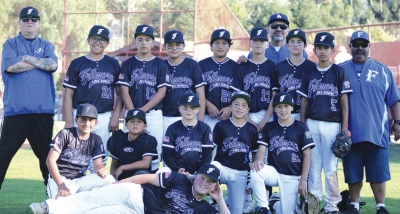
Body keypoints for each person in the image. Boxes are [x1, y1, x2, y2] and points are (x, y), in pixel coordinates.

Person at [339, 30, 400, 214]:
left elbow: (394, 99)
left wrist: (398, 122)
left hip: (378, 131)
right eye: (355, 45)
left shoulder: (382, 69)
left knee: (378, 172)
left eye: (363, 45)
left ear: (369, 47)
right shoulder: (340, 69)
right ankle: (354, 206)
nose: (359, 48)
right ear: (350, 47)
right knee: (353, 172)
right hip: (350, 132)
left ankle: (380, 206)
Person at [0, 6, 58, 190]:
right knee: (2, 157)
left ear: (39, 23)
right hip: (16, 112)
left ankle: (56, 201)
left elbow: (52, 65)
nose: (30, 22)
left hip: (42, 112)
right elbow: (10, 67)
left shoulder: (47, 45)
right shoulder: (10, 44)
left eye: (34, 19)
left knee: (48, 159)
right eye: (25, 19)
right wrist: (39, 62)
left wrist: (26, 58)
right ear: (20, 23)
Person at [297, 32, 353, 214]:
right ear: (314, 50)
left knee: (330, 167)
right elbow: (304, 101)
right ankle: (313, 204)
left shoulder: (339, 72)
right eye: (319, 47)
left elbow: (344, 101)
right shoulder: (308, 72)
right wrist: (303, 125)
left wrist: (344, 128)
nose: (322, 51)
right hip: (312, 123)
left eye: (326, 48)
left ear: (332, 50)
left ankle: (332, 205)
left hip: (332, 124)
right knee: (313, 166)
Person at [30, 163, 229, 214]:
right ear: (196, 177)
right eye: (202, 178)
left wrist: (219, 199)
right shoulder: (179, 179)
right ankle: (49, 207)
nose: (205, 183)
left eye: (210, 181)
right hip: (136, 193)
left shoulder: (204, 209)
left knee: (97, 212)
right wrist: (119, 185)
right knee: (95, 198)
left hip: (137, 212)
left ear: (215, 186)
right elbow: (146, 177)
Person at [62, 25, 121, 173]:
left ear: (108, 43)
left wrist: (115, 117)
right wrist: (69, 121)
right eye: (94, 38)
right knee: (78, 158)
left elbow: (120, 94)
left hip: (104, 115)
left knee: (100, 159)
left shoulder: (113, 63)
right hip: (82, 117)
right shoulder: (77, 63)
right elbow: (68, 94)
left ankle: (96, 193)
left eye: (103, 40)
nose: (98, 42)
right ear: (88, 40)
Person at [250, 92, 314, 214]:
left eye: (286, 106)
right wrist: (258, 160)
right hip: (274, 172)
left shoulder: (301, 127)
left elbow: (307, 155)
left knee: (286, 212)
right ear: (274, 109)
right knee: (255, 169)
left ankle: (275, 203)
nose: (283, 110)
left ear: (292, 108)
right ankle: (264, 207)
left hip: (293, 176)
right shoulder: (269, 127)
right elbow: (262, 149)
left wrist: (303, 180)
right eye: (279, 106)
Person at [117, 24, 170, 173]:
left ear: (153, 43)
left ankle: (150, 186)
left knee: (155, 152)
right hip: (132, 113)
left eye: (147, 40)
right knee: (129, 150)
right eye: (140, 39)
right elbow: (124, 91)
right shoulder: (128, 64)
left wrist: (142, 111)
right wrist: (134, 113)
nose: (144, 43)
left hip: (153, 114)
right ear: (136, 42)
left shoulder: (160, 64)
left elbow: (162, 92)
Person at [46, 103, 115, 199]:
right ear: (76, 120)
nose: (87, 124)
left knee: (109, 180)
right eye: (83, 120)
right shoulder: (66, 134)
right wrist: (61, 185)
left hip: (80, 180)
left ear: (96, 122)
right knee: (60, 207)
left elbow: (98, 165)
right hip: (59, 178)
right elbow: (50, 160)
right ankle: (47, 206)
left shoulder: (96, 139)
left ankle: (92, 202)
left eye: (91, 120)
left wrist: (101, 169)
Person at [211, 90, 259, 214]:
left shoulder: (251, 129)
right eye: (236, 104)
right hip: (223, 169)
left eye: (244, 106)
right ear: (230, 107)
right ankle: (212, 200)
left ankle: (227, 203)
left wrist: (251, 177)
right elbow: (212, 148)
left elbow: (254, 153)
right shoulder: (221, 126)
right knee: (214, 166)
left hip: (241, 172)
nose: (239, 108)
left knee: (236, 211)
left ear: (248, 110)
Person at [230, 27, 276, 132]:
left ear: (267, 44)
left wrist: (265, 120)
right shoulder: (242, 66)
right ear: (250, 43)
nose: (258, 43)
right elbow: (237, 95)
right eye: (255, 41)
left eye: (261, 41)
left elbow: (274, 96)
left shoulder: (272, 67)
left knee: (265, 147)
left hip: (266, 113)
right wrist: (248, 120)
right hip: (244, 113)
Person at [162, 30, 206, 135]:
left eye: (178, 45)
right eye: (170, 45)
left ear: (184, 46)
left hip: (189, 116)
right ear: (164, 47)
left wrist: (200, 120)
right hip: (165, 116)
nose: (174, 48)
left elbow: (200, 93)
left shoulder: (192, 65)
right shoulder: (161, 66)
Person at [160, 93, 214, 176]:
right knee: (162, 172)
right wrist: (176, 169)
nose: (189, 111)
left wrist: (200, 172)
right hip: (176, 171)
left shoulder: (205, 128)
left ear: (198, 109)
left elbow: (207, 154)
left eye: (193, 108)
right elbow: (167, 154)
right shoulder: (173, 128)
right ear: (179, 109)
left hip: (198, 172)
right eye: (185, 108)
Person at [272, 29, 315, 121]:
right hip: (284, 114)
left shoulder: (312, 67)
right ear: (287, 45)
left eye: (299, 42)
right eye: (292, 42)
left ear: (305, 46)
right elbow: (275, 93)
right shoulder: (280, 67)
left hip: (307, 114)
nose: (295, 45)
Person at [200, 29, 236, 131]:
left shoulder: (236, 66)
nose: (220, 46)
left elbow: (240, 91)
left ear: (229, 46)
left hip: (229, 117)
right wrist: (207, 104)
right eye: (217, 43)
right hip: (207, 115)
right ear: (211, 46)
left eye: (224, 43)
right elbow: (195, 90)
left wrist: (230, 108)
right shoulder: (201, 65)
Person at [107, 108, 158, 181]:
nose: (135, 123)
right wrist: (113, 179)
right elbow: (114, 165)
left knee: (142, 173)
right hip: (122, 178)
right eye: (132, 121)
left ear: (145, 126)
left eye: (139, 121)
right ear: (126, 125)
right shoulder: (118, 139)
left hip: (141, 178)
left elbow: (145, 163)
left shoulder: (149, 140)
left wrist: (122, 167)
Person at [240, 13, 308, 65]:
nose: (278, 29)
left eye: (283, 26)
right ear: (268, 28)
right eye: (274, 26)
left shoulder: (300, 52)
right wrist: (241, 61)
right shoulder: (255, 52)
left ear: (288, 30)